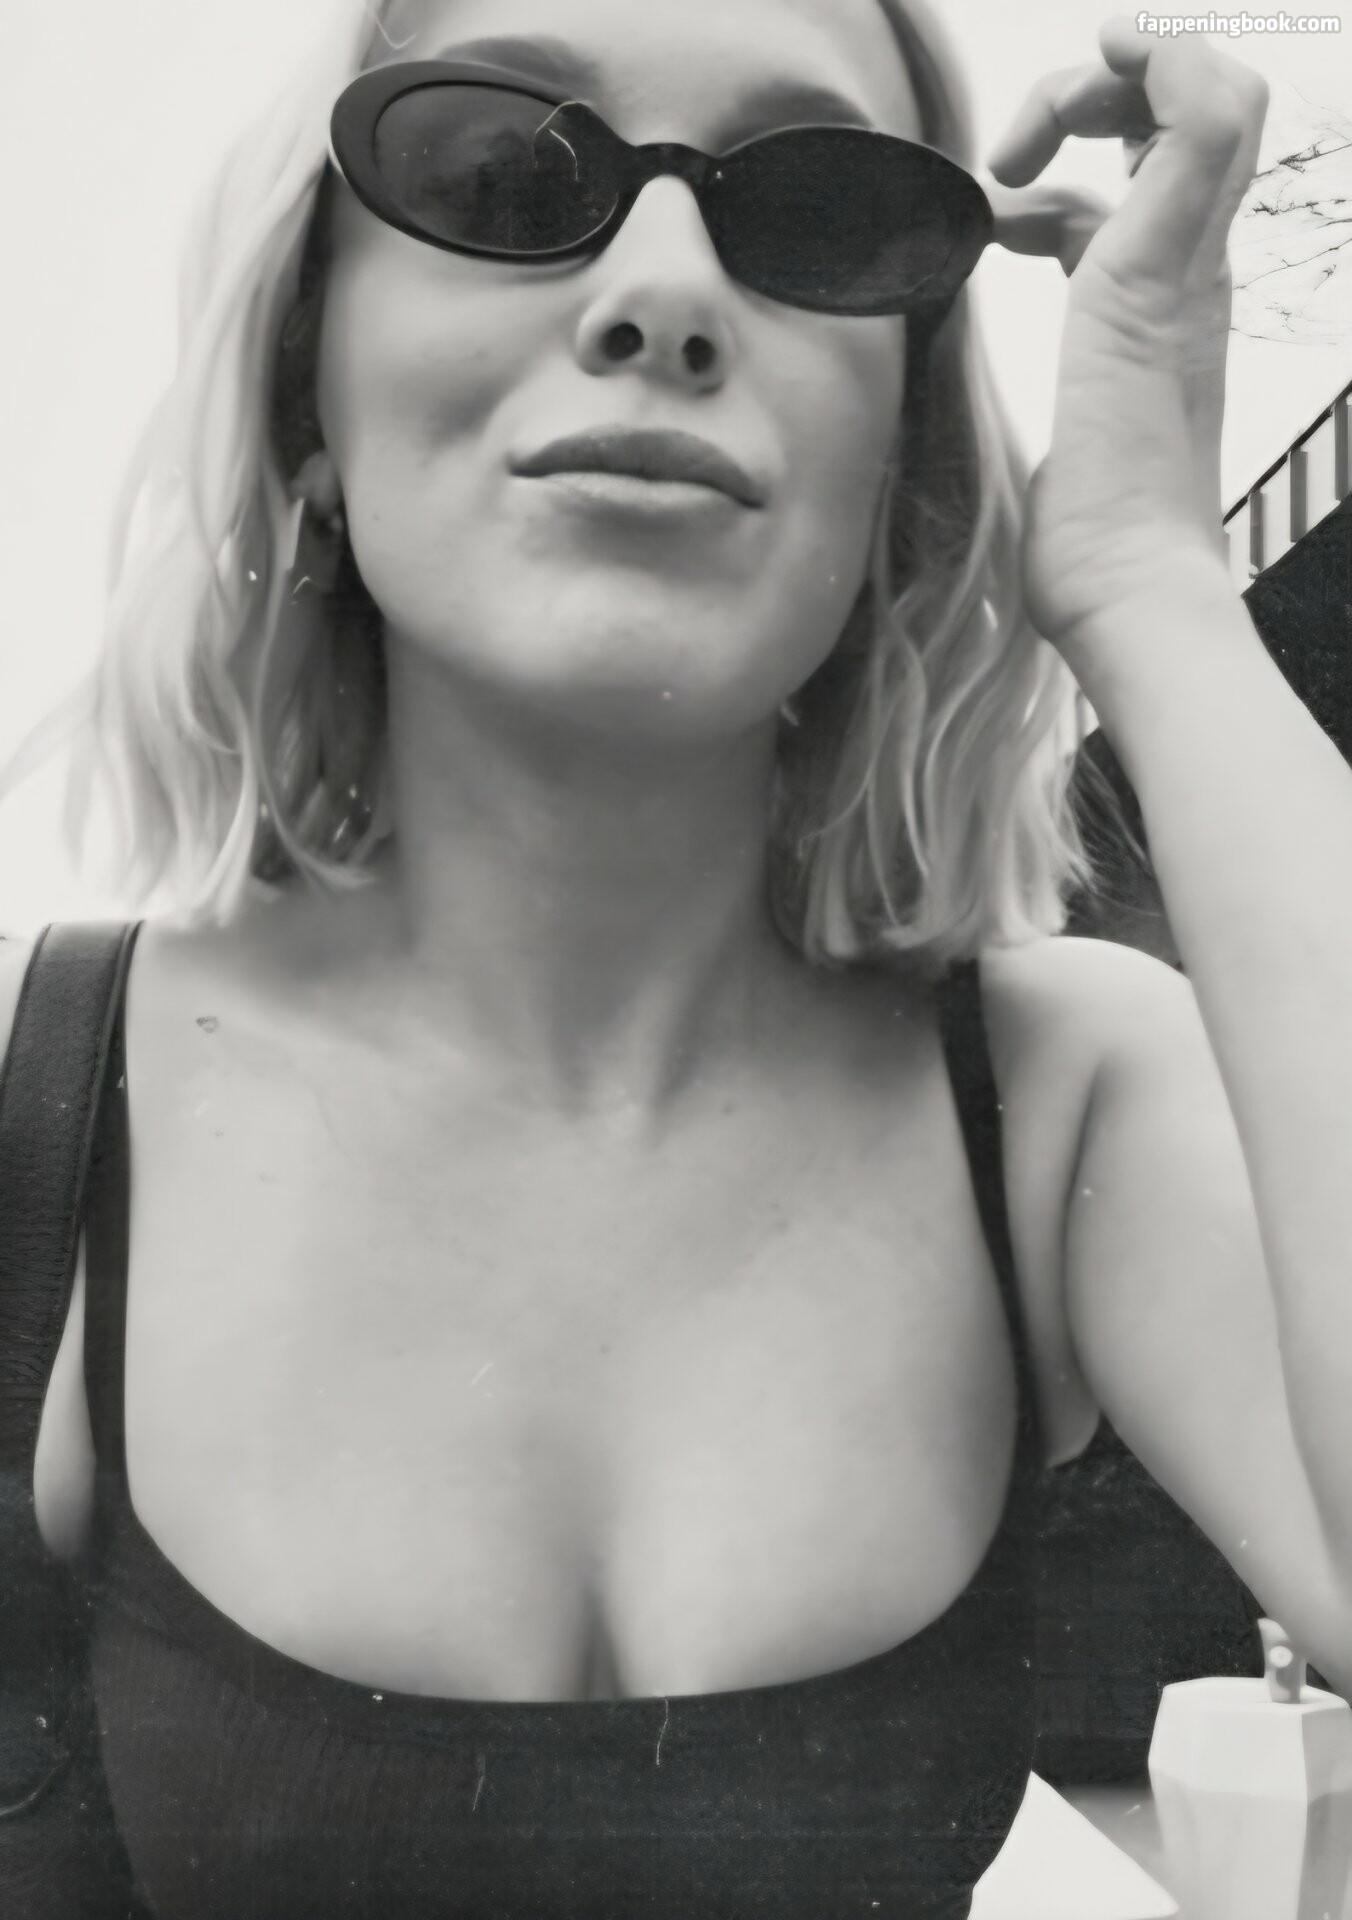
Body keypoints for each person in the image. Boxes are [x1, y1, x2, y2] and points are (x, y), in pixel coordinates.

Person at [2, 1, 1350, 1915]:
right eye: (500, 172)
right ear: (310, 393)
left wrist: (1157, 588)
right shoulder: (42, 1097)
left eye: (817, 210)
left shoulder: (1066, 1096)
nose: (663, 293)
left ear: (899, 455)